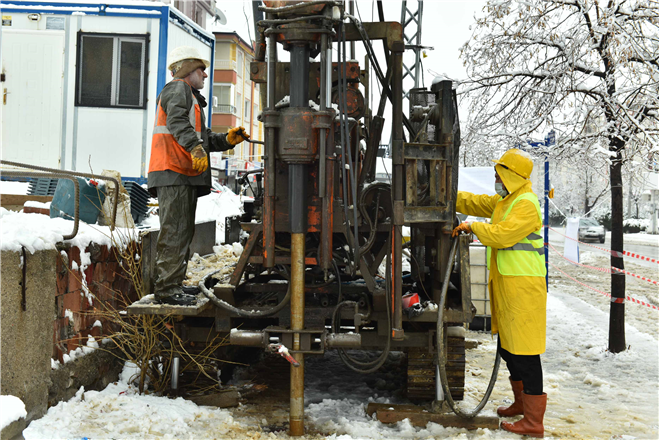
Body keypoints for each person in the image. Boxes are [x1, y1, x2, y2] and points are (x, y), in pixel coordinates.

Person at [452, 148, 548, 438]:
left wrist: (472, 226)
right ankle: (521, 403)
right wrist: (445, 193)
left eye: (499, 175)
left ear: (512, 176)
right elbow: (477, 202)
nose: (495, 179)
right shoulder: (506, 200)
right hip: (509, 284)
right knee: (508, 348)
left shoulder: (525, 203)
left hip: (524, 287)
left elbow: (503, 234)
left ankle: (534, 422)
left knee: (525, 352)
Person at [148, 46, 249, 306]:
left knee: (181, 232)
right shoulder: (177, 89)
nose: (205, 74)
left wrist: (226, 140)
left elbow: (200, 138)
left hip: (179, 173)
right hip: (172, 171)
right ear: (187, 68)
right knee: (175, 232)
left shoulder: (189, 96)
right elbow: (178, 123)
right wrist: (194, 147)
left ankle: (173, 284)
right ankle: (167, 291)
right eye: (201, 69)